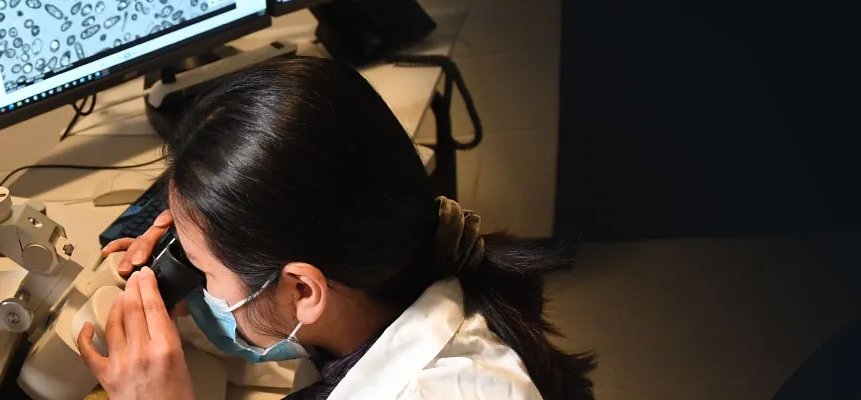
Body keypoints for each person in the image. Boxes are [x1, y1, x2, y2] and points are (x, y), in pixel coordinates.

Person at [76, 57, 596, 400]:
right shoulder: (380, 285)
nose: (192, 275)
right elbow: (273, 333)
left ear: (304, 288)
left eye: (202, 269)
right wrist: (194, 280)